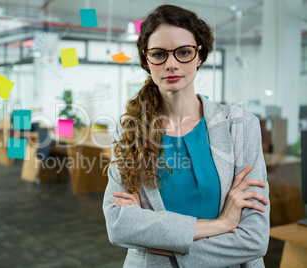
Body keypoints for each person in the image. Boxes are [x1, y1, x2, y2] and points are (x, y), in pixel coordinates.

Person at [102, 4, 270, 268]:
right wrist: (221, 224)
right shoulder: (130, 131)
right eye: (158, 54)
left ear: (199, 57)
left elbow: (254, 240)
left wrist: (160, 244)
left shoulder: (239, 125)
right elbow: (119, 227)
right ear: (147, 61)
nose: (171, 64)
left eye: (183, 52)